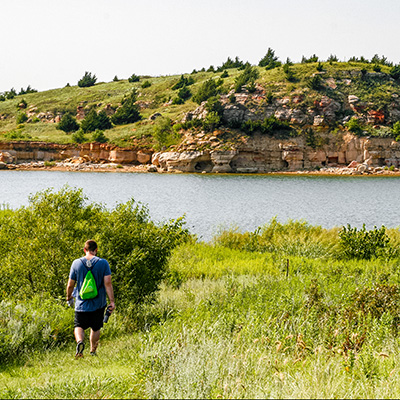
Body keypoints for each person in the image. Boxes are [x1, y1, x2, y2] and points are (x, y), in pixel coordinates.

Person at [66, 239, 115, 358]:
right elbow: (107, 283)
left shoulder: (76, 263)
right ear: (96, 250)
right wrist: (112, 301)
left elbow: (70, 284)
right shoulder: (103, 263)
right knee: (95, 327)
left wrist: (69, 298)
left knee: (79, 325)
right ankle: (93, 351)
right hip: (98, 303)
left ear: (84, 250)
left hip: (81, 303)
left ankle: (80, 343)